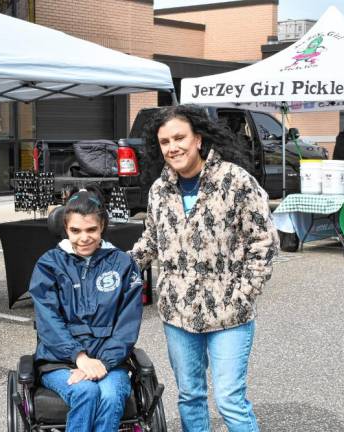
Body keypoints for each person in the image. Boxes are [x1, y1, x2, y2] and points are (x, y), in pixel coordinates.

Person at [130, 104, 279, 432]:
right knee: (190, 395)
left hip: (230, 315)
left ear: (198, 139)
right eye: (165, 142)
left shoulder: (234, 180)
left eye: (180, 138)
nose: (173, 147)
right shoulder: (159, 190)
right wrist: (114, 267)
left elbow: (264, 242)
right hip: (177, 314)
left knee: (229, 399)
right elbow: (151, 241)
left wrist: (243, 293)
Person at [29, 186, 143, 432]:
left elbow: (128, 324)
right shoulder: (49, 264)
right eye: (75, 230)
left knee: (111, 396)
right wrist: (80, 358)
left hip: (109, 360)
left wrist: (101, 362)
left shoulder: (123, 264)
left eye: (91, 229)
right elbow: (48, 320)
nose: (84, 238)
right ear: (66, 229)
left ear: (102, 225)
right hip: (58, 360)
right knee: (86, 391)